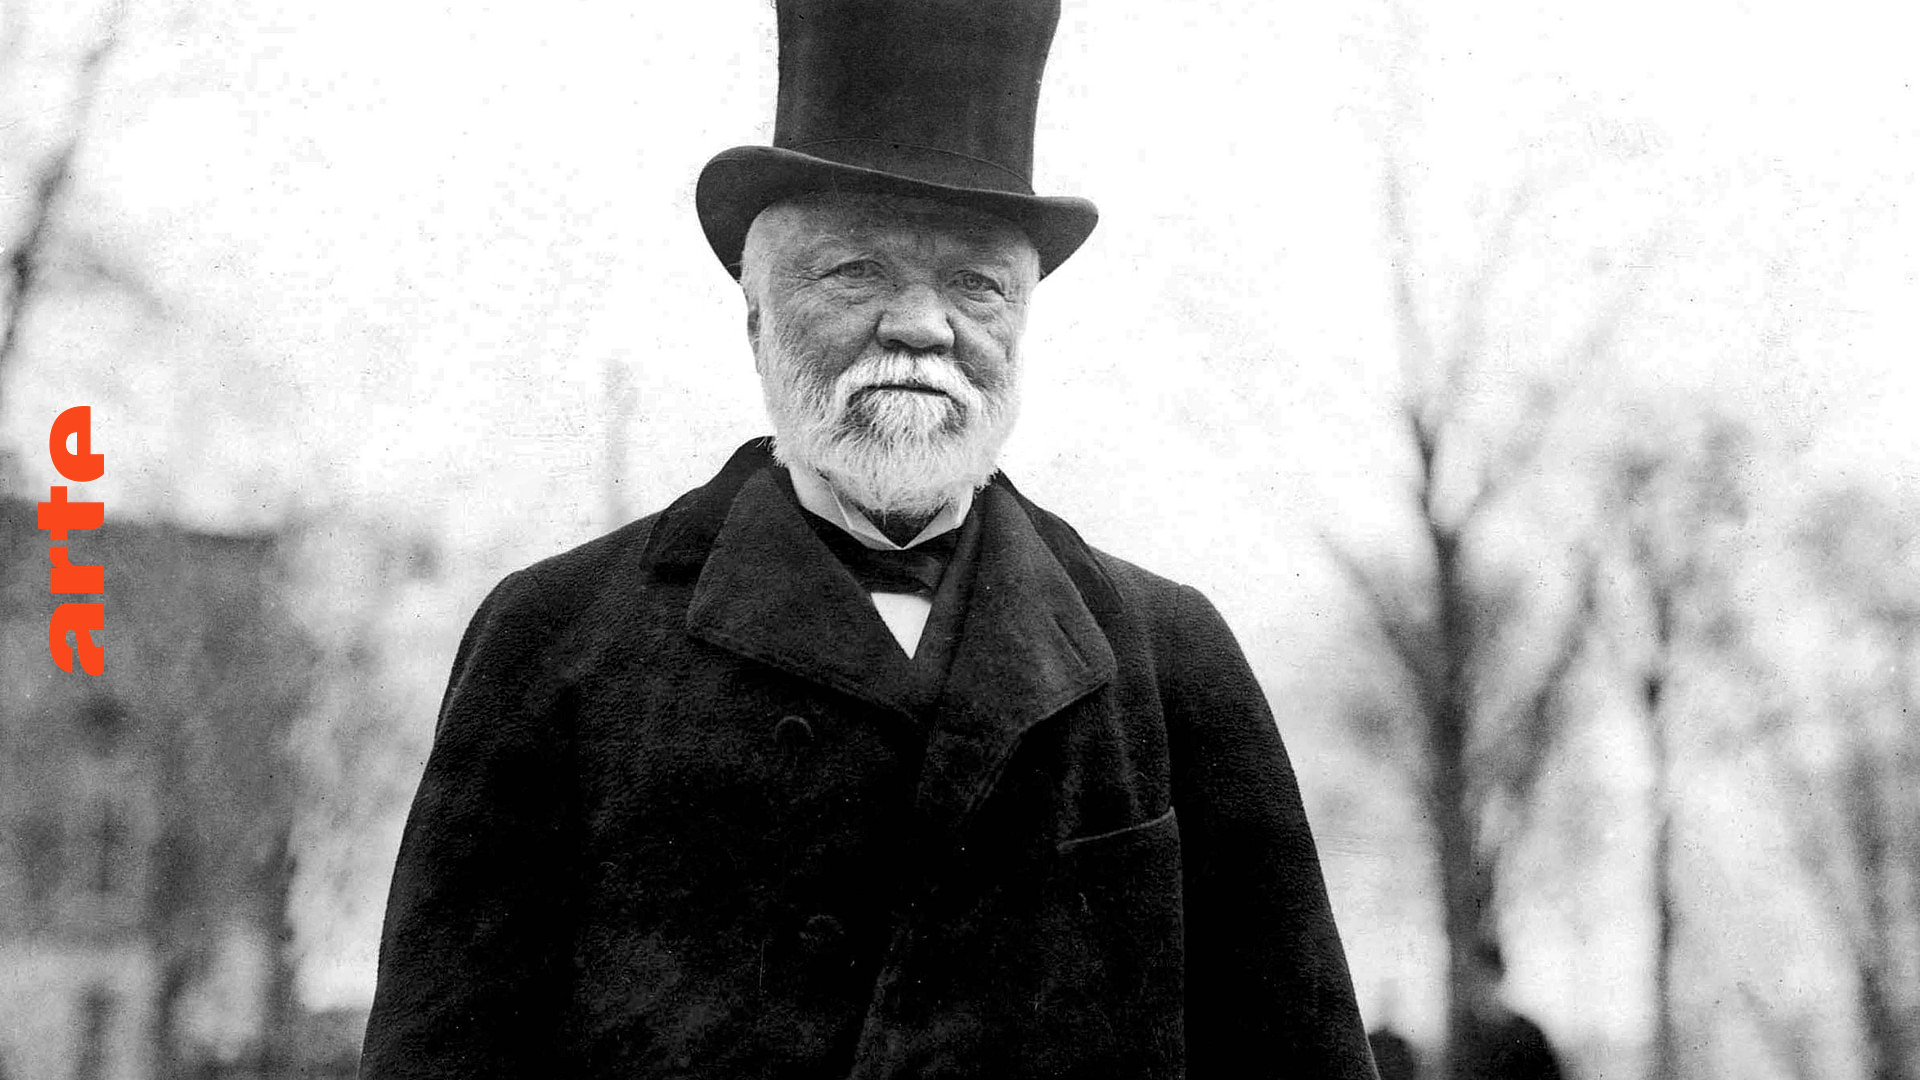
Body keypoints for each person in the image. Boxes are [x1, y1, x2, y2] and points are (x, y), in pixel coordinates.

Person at [359, 1, 1376, 1077]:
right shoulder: (556, 638)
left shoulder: (1169, 657)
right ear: (757, 317)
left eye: (977, 284)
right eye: (856, 270)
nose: (923, 326)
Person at [1451, 941, 1566, 1080]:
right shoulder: (1465, 1035)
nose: (1479, 986)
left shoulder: (1527, 1034)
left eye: (1486, 977)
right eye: (1474, 979)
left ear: (1499, 976)